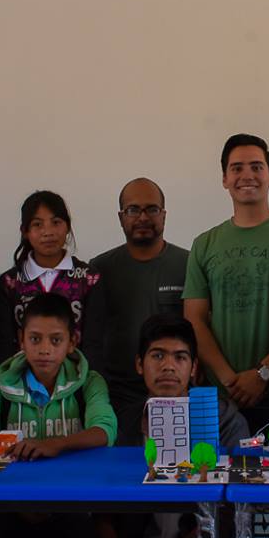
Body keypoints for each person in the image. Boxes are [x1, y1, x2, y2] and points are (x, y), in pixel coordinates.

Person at [0, 293, 115, 538]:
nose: (44, 349)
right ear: (21, 339)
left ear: (72, 342)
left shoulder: (90, 383)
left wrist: (54, 444)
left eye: (56, 340)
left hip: (72, 505)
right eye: (35, 339)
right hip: (6, 506)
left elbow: (104, 431)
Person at [99, 313, 248, 538]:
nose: (168, 366)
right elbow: (102, 505)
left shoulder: (224, 421)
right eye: (157, 356)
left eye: (180, 357)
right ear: (139, 364)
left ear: (194, 368)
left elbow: (233, 506)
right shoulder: (120, 423)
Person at [183, 134, 269, 434]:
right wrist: (229, 379)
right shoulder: (205, 244)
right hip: (221, 398)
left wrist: (263, 374)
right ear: (224, 178)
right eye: (237, 168)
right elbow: (194, 318)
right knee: (213, 477)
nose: (247, 175)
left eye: (257, 167)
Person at [90, 178, 189, 439]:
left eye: (152, 209)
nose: (143, 217)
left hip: (176, 393)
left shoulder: (188, 265)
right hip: (116, 395)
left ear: (164, 215)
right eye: (133, 210)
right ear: (121, 217)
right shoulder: (99, 269)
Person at [0, 190, 105, 368]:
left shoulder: (89, 278)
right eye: (37, 224)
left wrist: (89, 386)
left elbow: (94, 343)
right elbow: (4, 343)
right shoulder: (10, 282)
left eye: (56, 222)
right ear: (25, 231)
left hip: (76, 381)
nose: (48, 232)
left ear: (67, 226)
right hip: (22, 383)